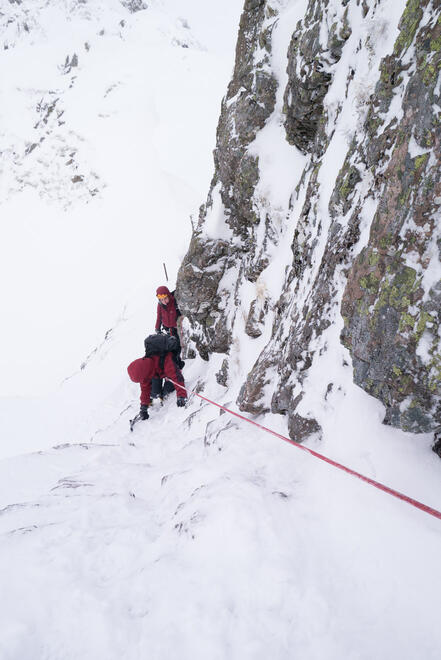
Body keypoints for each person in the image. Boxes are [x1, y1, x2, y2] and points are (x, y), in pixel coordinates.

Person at [127, 352, 187, 420]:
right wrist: (143, 408)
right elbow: (145, 389)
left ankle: (165, 394)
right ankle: (158, 395)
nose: (143, 381)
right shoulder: (145, 369)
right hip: (156, 371)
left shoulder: (166, 361)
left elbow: (177, 378)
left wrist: (181, 396)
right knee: (155, 393)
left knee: (168, 390)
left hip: (171, 370)